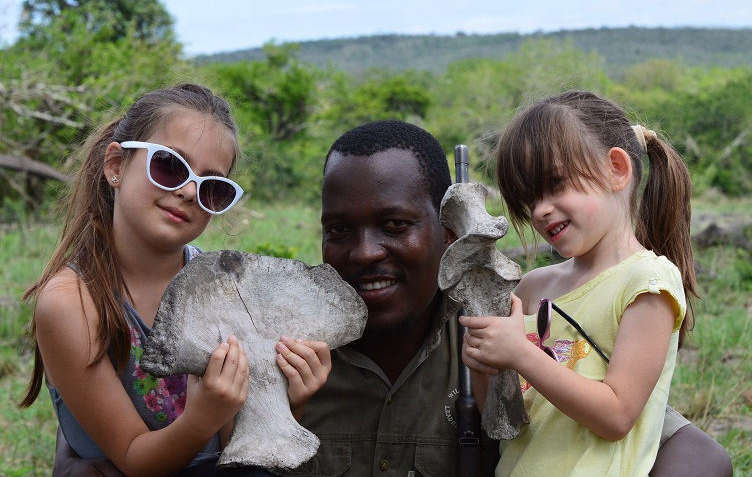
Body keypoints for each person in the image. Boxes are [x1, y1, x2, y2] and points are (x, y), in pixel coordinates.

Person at [293, 119, 731, 477]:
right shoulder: (289, 349)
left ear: (452, 236)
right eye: (339, 230)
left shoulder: (494, 322)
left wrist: (510, 356)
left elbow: (682, 447)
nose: (365, 252)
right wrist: (287, 408)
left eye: (394, 225)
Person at [19, 83, 330, 476]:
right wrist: (201, 419)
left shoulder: (222, 289)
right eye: (169, 165)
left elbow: (237, 449)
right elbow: (133, 458)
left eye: (212, 187)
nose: (188, 191)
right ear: (116, 166)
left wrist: (288, 401)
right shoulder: (71, 304)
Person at [459, 90, 730, 476]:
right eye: (529, 199)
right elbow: (502, 420)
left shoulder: (647, 283)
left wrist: (519, 354)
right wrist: (484, 364)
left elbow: (617, 415)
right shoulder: (531, 288)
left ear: (616, 169)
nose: (540, 210)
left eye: (555, 184)